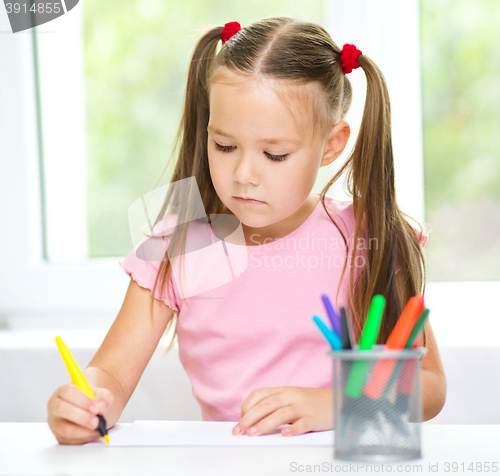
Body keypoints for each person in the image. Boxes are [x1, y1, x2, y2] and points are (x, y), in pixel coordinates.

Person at [47, 17, 447, 444]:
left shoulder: (368, 236)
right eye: (224, 146)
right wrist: (83, 402)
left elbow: (428, 385)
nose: (243, 174)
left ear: (332, 144)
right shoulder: (181, 241)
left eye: (274, 154)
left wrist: (332, 404)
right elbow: (110, 373)